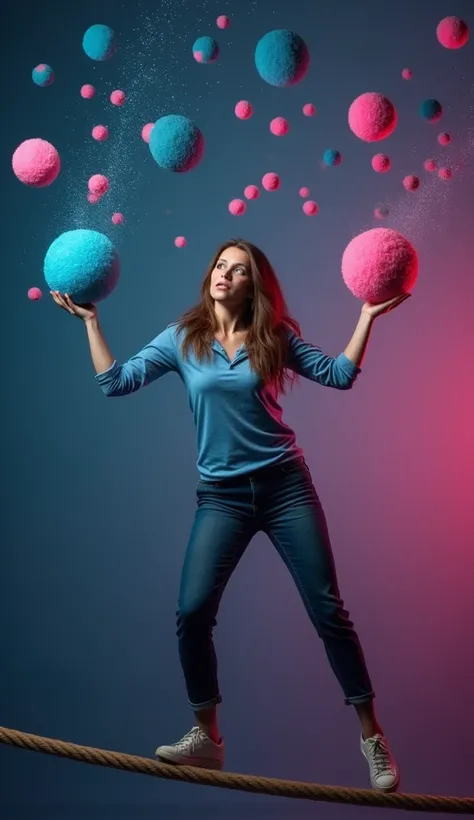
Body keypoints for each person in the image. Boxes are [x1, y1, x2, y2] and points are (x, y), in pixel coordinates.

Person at [51, 238, 410, 792]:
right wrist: (91, 322)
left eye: (238, 270)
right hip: (221, 496)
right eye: (220, 265)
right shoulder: (182, 338)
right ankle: (207, 738)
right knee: (192, 612)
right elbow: (115, 382)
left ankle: (372, 738)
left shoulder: (274, 338)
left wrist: (365, 317)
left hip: (285, 487)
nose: (225, 274)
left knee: (327, 610)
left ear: (254, 285)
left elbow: (338, 375)